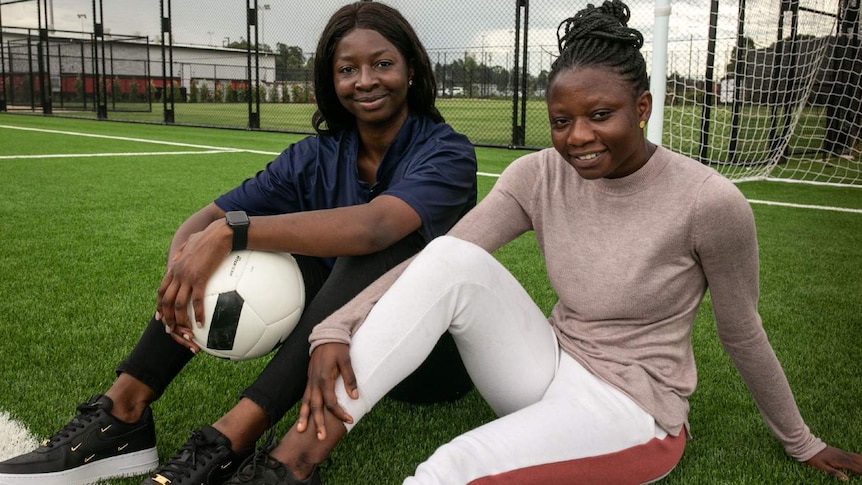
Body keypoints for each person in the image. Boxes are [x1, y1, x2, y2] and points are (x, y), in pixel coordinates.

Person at [221, 1, 862, 484]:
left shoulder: (710, 202)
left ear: (641, 107)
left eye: (600, 115)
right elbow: (437, 264)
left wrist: (801, 442)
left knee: (453, 466)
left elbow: (741, 332)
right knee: (450, 254)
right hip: (543, 365)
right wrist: (336, 326)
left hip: (632, 409)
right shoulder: (537, 174)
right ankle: (290, 465)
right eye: (561, 120)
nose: (578, 136)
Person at [0, 3, 477, 485]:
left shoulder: (448, 152)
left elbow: (374, 228)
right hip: (342, 344)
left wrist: (233, 231)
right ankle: (123, 414)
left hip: (426, 364)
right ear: (331, 81)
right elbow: (204, 220)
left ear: (411, 68)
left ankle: (232, 436)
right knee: (229, 250)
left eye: (382, 63)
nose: (366, 80)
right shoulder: (315, 156)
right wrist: (184, 272)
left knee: (376, 248)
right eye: (347, 69)